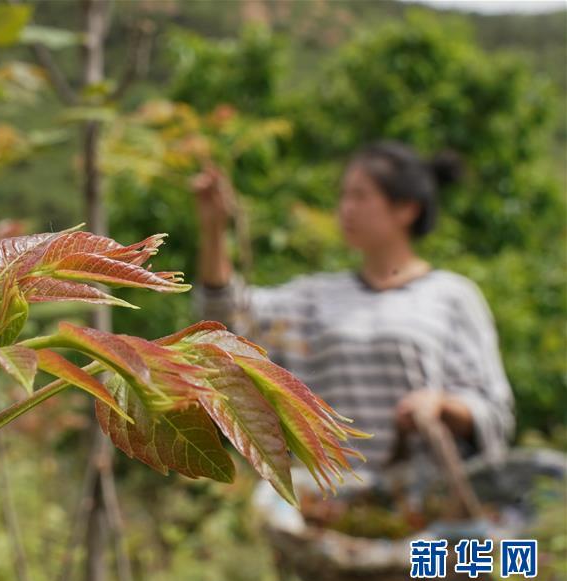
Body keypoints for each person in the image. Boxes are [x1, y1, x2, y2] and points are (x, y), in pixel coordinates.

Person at [193, 142, 514, 470]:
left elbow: (492, 408)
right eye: (344, 196)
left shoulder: (452, 296)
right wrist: (214, 229)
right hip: (325, 504)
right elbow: (226, 320)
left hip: (427, 505)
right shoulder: (314, 298)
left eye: (360, 196)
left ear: (406, 209)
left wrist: (443, 407)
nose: (346, 208)